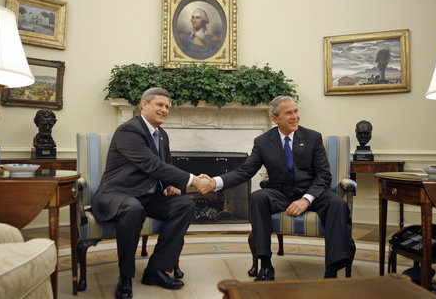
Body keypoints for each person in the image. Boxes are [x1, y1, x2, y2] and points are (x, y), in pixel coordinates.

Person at [199, 96, 355, 280]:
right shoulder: (263, 142)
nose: (295, 116)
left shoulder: (312, 137)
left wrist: (306, 199)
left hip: (313, 192)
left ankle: (332, 270)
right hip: (281, 192)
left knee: (337, 203)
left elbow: (324, 175)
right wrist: (214, 182)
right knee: (258, 197)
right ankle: (265, 265)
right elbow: (245, 170)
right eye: (289, 113)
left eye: (296, 111)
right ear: (275, 119)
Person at [91, 87, 212, 299]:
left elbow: (166, 166)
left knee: (184, 205)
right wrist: (194, 181)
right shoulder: (128, 131)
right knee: (132, 208)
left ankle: (156, 270)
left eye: (167, 107)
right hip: (118, 194)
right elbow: (151, 165)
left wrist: (171, 185)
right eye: (160, 105)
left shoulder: (162, 135)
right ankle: (125, 276)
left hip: (147, 196)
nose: (165, 110)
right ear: (144, 105)